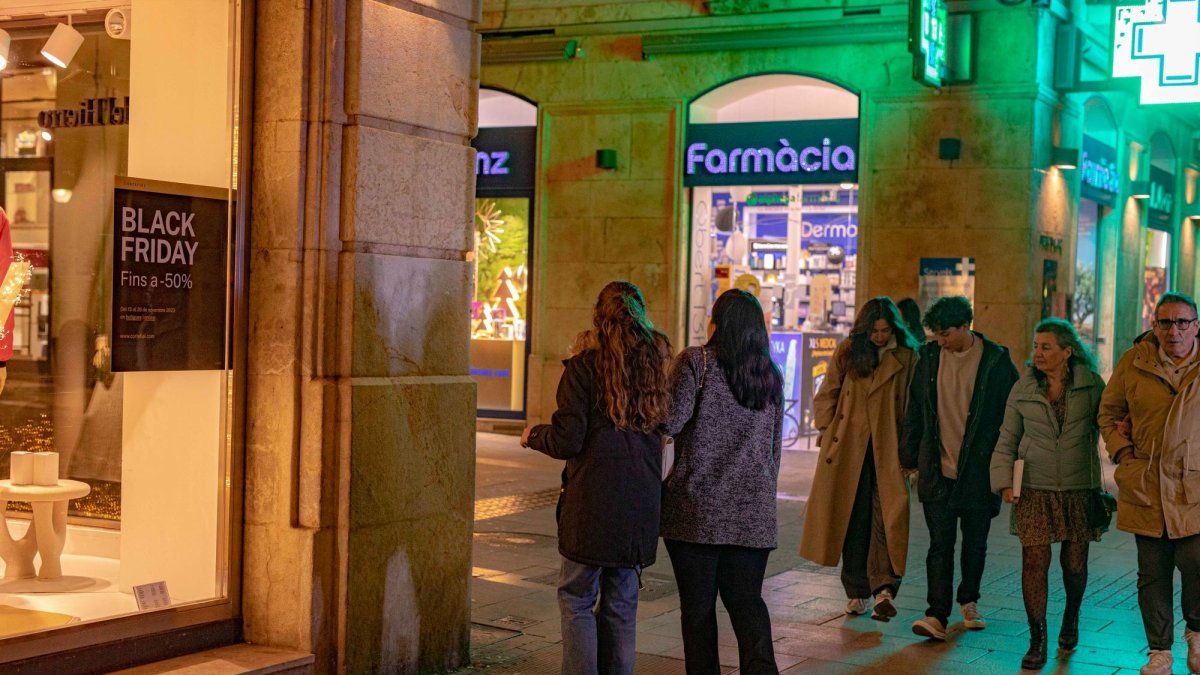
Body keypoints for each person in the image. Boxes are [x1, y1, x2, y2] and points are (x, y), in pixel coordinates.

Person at [521, 281, 672, 675]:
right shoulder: (656, 366)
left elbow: (568, 438)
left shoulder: (584, 368)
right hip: (640, 503)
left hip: (592, 505)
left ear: (598, 317)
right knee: (621, 605)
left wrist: (534, 435)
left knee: (576, 597)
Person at [661, 289, 784, 675]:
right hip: (753, 514)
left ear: (718, 322)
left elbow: (669, 421)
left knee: (698, 610)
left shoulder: (696, 362)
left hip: (697, 511)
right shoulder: (770, 374)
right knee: (747, 603)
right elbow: (774, 451)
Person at [900, 295, 1019, 640]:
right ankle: (936, 614)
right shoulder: (930, 356)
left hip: (979, 471)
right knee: (939, 544)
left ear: (966, 326)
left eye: (946, 333)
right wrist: (909, 458)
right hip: (937, 467)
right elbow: (916, 410)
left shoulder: (996, 361)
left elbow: (1011, 416)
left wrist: (1007, 465)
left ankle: (969, 601)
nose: (941, 341)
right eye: (936, 334)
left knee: (975, 543)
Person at [990, 318, 1107, 669]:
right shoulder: (1023, 387)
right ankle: (1036, 638)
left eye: (1046, 347)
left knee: (1074, 565)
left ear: (1068, 351)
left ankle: (1071, 616)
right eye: (1036, 346)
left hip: (1078, 488)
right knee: (1034, 563)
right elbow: (1006, 438)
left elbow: (1111, 422)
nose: (1037, 353)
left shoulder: (1092, 385)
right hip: (1034, 488)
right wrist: (1004, 481)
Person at [1098, 292, 1200, 675]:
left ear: (1196, 326)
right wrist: (1123, 452)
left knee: (1197, 565)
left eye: (1182, 322)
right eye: (1165, 322)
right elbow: (1108, 413)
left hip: (1194, 486)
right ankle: (1160, 652)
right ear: (1154, 325)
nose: (1173, 331)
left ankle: (1197, 634)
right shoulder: (1133, 362)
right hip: (1148, 485)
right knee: (1152, 573)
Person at [800, 297, 920, 622]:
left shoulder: (908, 357)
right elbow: (828, 391)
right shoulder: (848, 352)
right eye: (874, 330)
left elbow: (913, 407)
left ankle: (884, 589)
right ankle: (856, 592)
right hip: (850, 446)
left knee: (887, 518)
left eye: (885, 330)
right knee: (854, 519)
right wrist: (826, 427)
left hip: (887, 447)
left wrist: (913, 451)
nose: (879, 336)